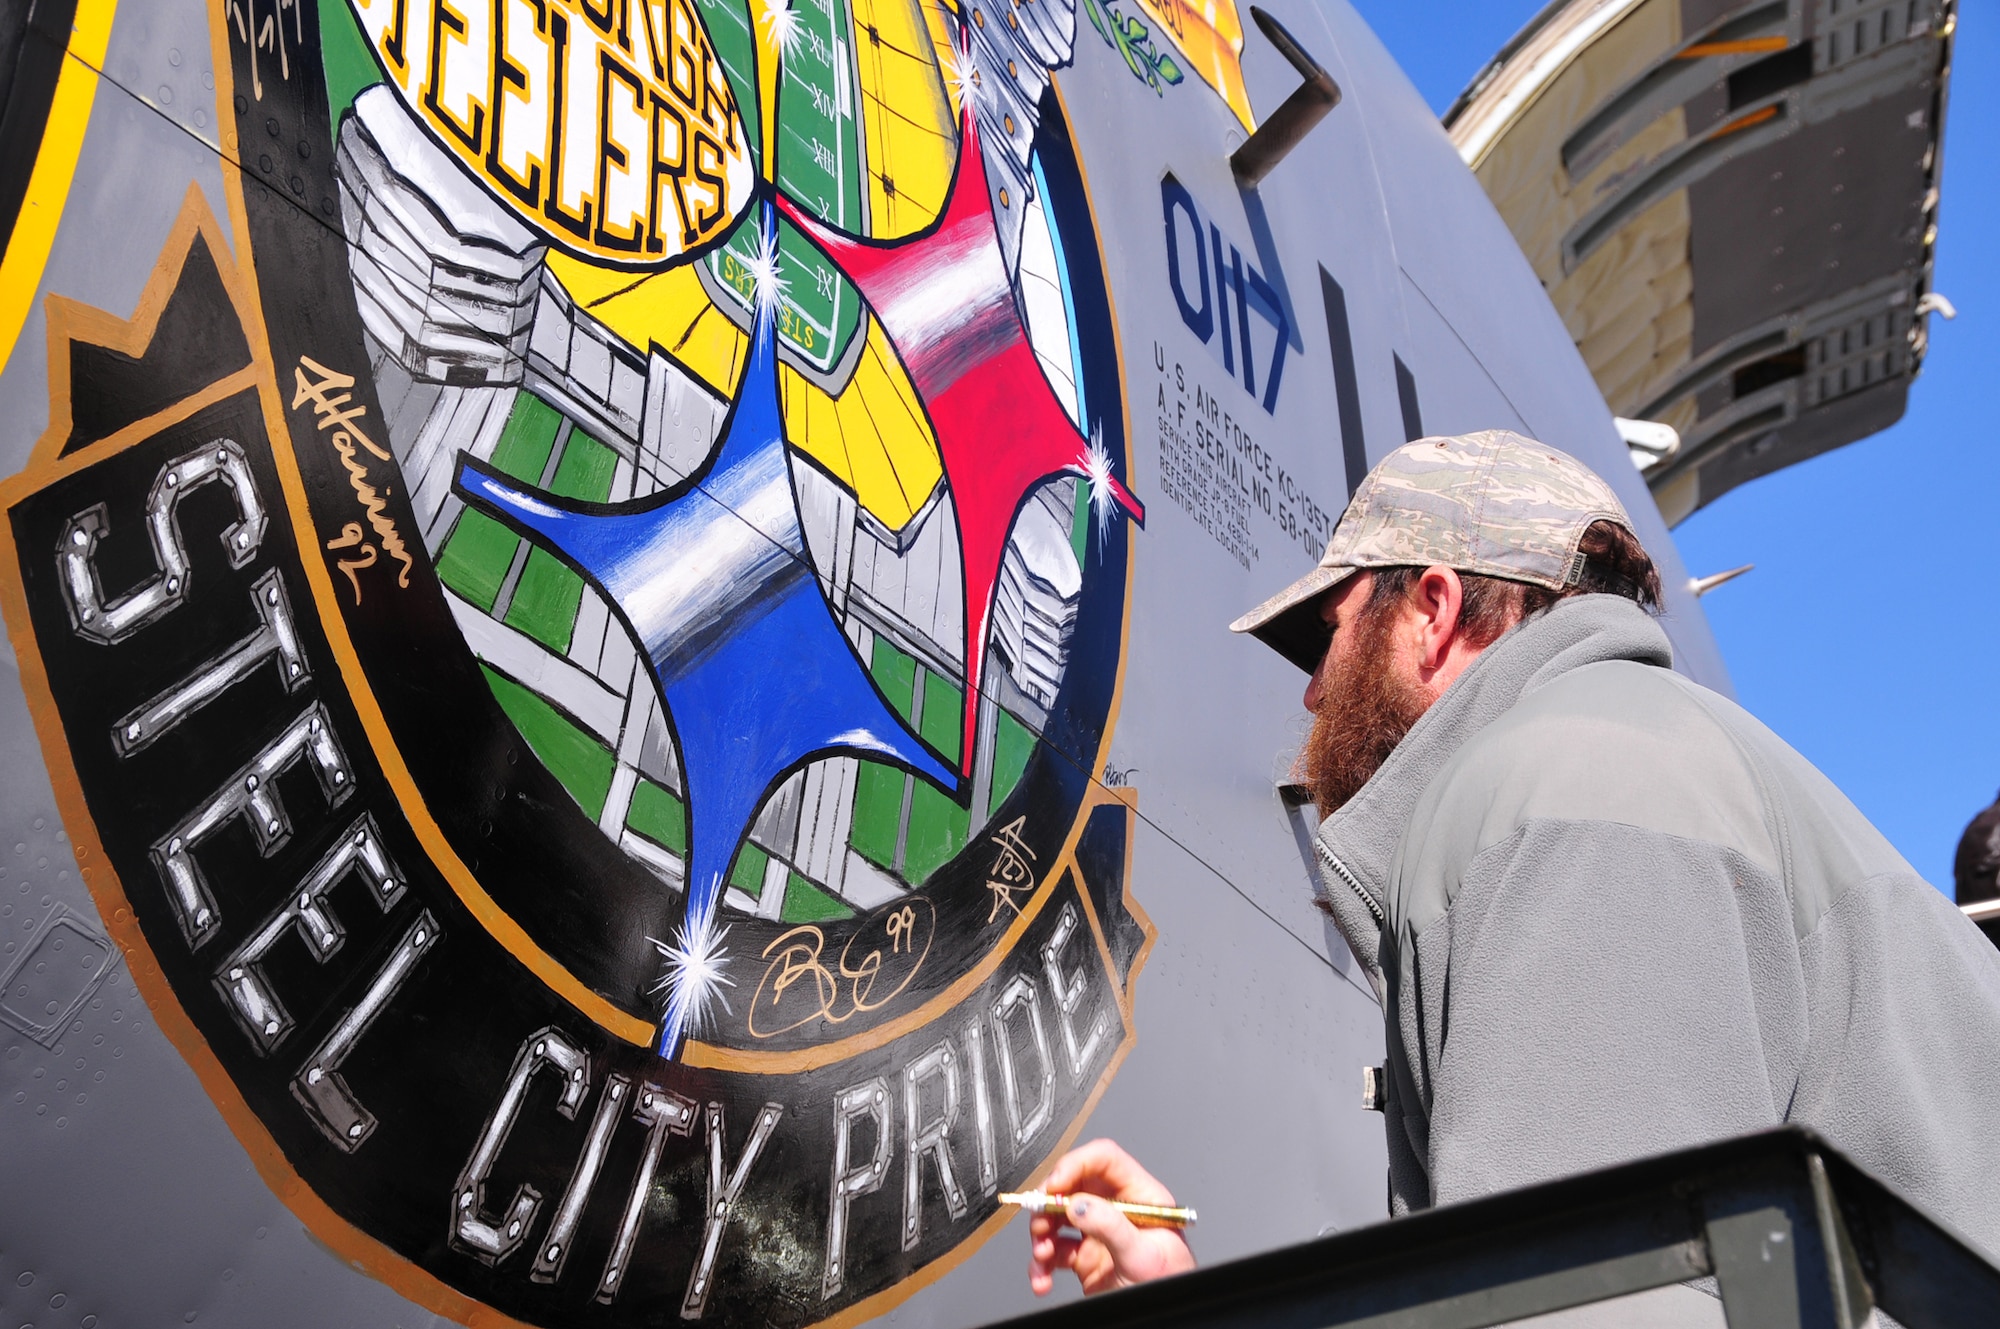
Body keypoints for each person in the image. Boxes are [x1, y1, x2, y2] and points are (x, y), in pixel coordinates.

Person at [1027, 430, 2000, 1301]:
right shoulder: (1647, 765)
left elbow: (1600, 1304)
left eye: (1325, 637)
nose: (1316, 693)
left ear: (1433, 611)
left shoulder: (1563, 793)